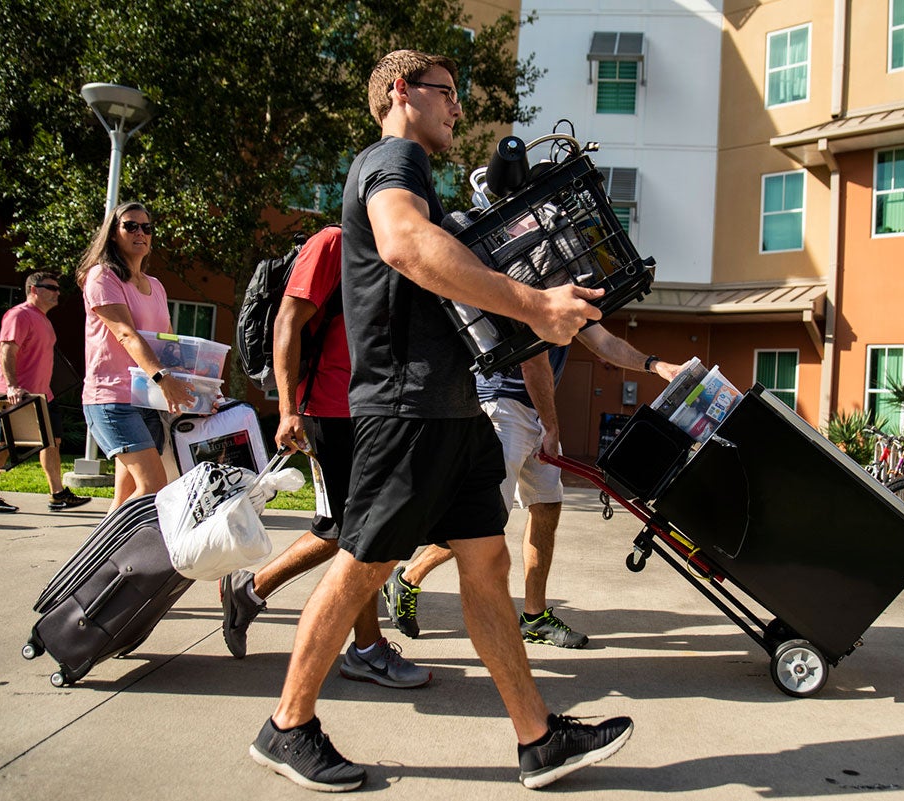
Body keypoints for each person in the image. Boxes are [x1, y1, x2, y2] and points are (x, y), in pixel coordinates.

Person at [248, 50, 633, 793]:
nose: (458, 108)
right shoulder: (392, 160)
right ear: (401, 93)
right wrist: (532, 305)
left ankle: (538, 738)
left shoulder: (418, 174)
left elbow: (441, 257)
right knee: (363, 561)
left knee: (486, 564)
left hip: (450, 407)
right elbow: (403, 243)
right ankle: (287, 725)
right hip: (407, 405)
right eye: (446, 94)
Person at [219, 225, 429, 689]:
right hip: (327, 410)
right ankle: (367, 651)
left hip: (366, 411)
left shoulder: (389, 250)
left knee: (345, 530)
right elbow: (287, 323)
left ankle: (250, 590)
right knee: (361, 533)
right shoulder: (334, 242)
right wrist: (288, 410)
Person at [382, 333, 680, 647]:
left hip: (536, 408)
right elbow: (531, 362)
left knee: (547, 505)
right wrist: (551, 427)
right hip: (501, 409)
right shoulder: (537, 286)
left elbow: (603, 342)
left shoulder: (569, 288)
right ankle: (408, 576)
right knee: (482, 521)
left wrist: (655, 365)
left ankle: (535, 617)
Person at [75, 201, 195, 512]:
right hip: (112, 399)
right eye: (130, 225)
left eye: (146, 227)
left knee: (124, 499)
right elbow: (126, 334)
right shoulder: (102, 277)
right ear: (113, 234)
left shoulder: (155, 286)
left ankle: (103, 560)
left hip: (146, 400)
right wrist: (163, 378)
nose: (140, 232)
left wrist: (198, 387)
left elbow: (167, 342)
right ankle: (98, 558)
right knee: (153, 487)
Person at [0, 272, 92, 514]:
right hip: (18, 394)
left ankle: (58, 495)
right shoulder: (19, 315)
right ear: (34, 290)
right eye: (51, 288)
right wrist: (12, 387)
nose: (57, 293)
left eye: (58, 289)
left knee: (52, 442)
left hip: (42, 396)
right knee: (4, 443)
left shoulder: (44, 320)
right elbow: (7, 351)